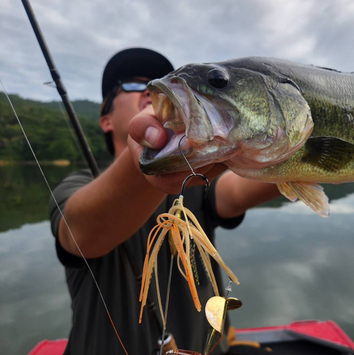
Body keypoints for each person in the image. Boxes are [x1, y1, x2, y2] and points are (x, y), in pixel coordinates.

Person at [49, 48, 280, 355]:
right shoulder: (75, 187)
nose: (149, 89)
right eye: (132, 84)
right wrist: (146, 160)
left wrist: (294, 145)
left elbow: (240, 190)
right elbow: (79, 233)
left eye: (156, 81)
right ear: (105, 120)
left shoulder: (199, 180)